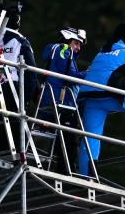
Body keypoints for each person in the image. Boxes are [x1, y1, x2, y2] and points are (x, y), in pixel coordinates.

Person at [77, 23, 125, 176]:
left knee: (91, 135)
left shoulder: (101, 53)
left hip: (90, 96)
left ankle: (86, 173)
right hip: (110, 94)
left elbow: (98, 71)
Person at [0, 2, 37, 154]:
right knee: (13, 148)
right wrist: (28, 98)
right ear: (18, 22)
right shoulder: (20, 41)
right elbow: (30, 75)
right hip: (11, 95)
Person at [36, 27, 87, 173]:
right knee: (70, 137)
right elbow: (71, 76)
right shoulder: (64, 50)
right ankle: (68, 172)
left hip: (50, 101)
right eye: (76, 43)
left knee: (64, 138)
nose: (78, 48)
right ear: (67, 39)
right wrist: (90, 73)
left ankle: (65, 170)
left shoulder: (56, 50)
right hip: (60, 103)